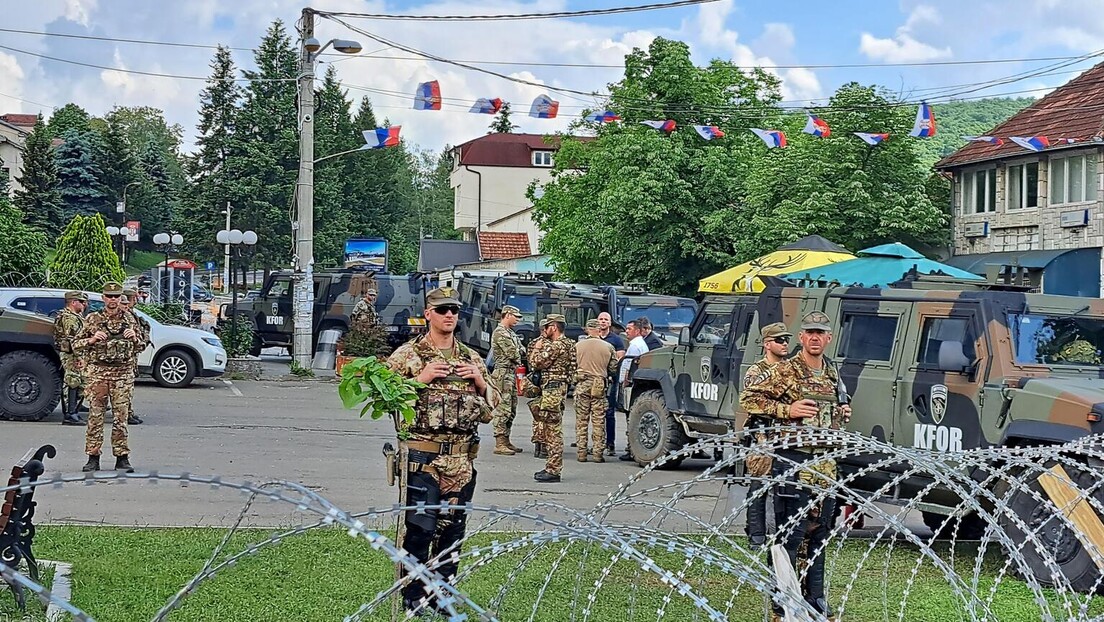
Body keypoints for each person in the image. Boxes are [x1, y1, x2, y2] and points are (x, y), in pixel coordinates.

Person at [386, 286, 497, 614]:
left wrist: (479, 381)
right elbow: (388, 402)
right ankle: (414, 595)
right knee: (421, 529)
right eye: (443, 309)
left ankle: (442, 595)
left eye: (455, 310)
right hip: (424, 458)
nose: (450, 315)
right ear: (429, 313)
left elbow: (491, 412)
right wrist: (419, 379)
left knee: (453, 532)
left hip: (462, 459)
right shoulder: (408, 354)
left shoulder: (471, 357)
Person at [739, 311, 851, 621]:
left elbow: (838, 399)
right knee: (792, 535)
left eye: (821, 333)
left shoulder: (831, 370)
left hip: (825, 463)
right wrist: (787, 408)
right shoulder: (787, 370)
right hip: (796, 461)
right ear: (801, 337)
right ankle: (782, 603)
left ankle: (816, 599)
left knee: (820, 534)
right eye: (810, 332)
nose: (815, 337)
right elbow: (749, 399)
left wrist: (843, 408)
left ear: (828, 338)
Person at [74, 281, 143, 473]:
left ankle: (122, 458)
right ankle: (93, 457)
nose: (113, 300)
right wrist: (92, 339)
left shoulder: (130, 319)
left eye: (116, 297)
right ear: (103, 298)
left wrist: (134, 339)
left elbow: (142, 345)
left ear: (121, 298)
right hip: (98, 374)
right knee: (95, 416)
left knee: (121, 418)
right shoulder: (93, 319)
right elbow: (75, 344)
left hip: (122, 374)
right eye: (109, 296)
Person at [740, 322, 792, 548]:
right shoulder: (757, 371)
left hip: (787, 434)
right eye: (779, 340)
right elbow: (755, 403)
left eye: (786, 339)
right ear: (767, 344)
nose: (784, 344)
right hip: (763, 434)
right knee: (759, 486)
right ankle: (756, 535)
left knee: (786, 488)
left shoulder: (791, 368)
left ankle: (782, 533)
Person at [530, 313, 576, 483]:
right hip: (561, 388)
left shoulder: (555, 346)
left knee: (552, 430)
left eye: (547, 327)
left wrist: (537, 348)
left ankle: (553, 469)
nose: (544, 330)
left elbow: (536, 363)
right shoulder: (571, 344)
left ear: (554, 327)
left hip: (551, 389)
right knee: (554, 427)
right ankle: (552, 466)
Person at [574, 319, 617, 463]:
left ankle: (581, 453)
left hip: (582, 384)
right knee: (598, 421)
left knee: (582, 421)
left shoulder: (577, 346)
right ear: (599, 330)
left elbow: (571, 365)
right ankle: (598, 453)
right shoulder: (608, 347)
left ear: (587, 330)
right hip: (599, 385)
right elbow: (613, 368)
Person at [490, 305, 525, 455]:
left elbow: (522, 350)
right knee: (502, 409)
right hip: (502, 374)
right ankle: (499, 442)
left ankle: (506, 439)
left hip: (510, 373)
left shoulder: (510, 333)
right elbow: (514, 354)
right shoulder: (500, 332)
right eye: (516, 316)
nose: (518, 319)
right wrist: (519, 352)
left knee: (511, 409)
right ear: (508, 315)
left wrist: (520, 352)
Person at [53, 290, 88, 426]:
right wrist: (79, 357)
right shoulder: (69, 318)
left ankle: (74, 409)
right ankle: (70, 414)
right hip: (71, 354)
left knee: (79, 381)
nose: (84, 304)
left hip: (74, 353)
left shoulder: (75, 316)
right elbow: (72, 339)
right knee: (72, 381)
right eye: (82, 302)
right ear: (73, 302)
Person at [617, 320, 649, 461]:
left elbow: (628, 366)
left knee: (630, 417)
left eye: (629, 329)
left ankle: (631, 449)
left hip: (632, 383)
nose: (627, 331)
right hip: (638, 383)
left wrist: (624, 381)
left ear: (637, 331)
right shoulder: (639, 344)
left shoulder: (635, 346)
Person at [596, 312, 625, 456]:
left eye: (605, 320)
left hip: (610, 381)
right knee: (595, 414)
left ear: (610, 323)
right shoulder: (593, 338)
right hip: (595, 380)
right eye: (600, 319)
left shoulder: (616, 340)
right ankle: (597, 444)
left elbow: (620, 359)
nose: (603, 322)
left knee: (609, 413)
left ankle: (610, 444)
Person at [120, 288, 150, 425]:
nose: (136, 301)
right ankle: (125, 413)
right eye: (134, 298)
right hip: (124, 356)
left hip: (131, 354)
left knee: (128, 386)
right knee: (124, 388)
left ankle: (128, 412)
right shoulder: (124, 316)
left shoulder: (130, 314)